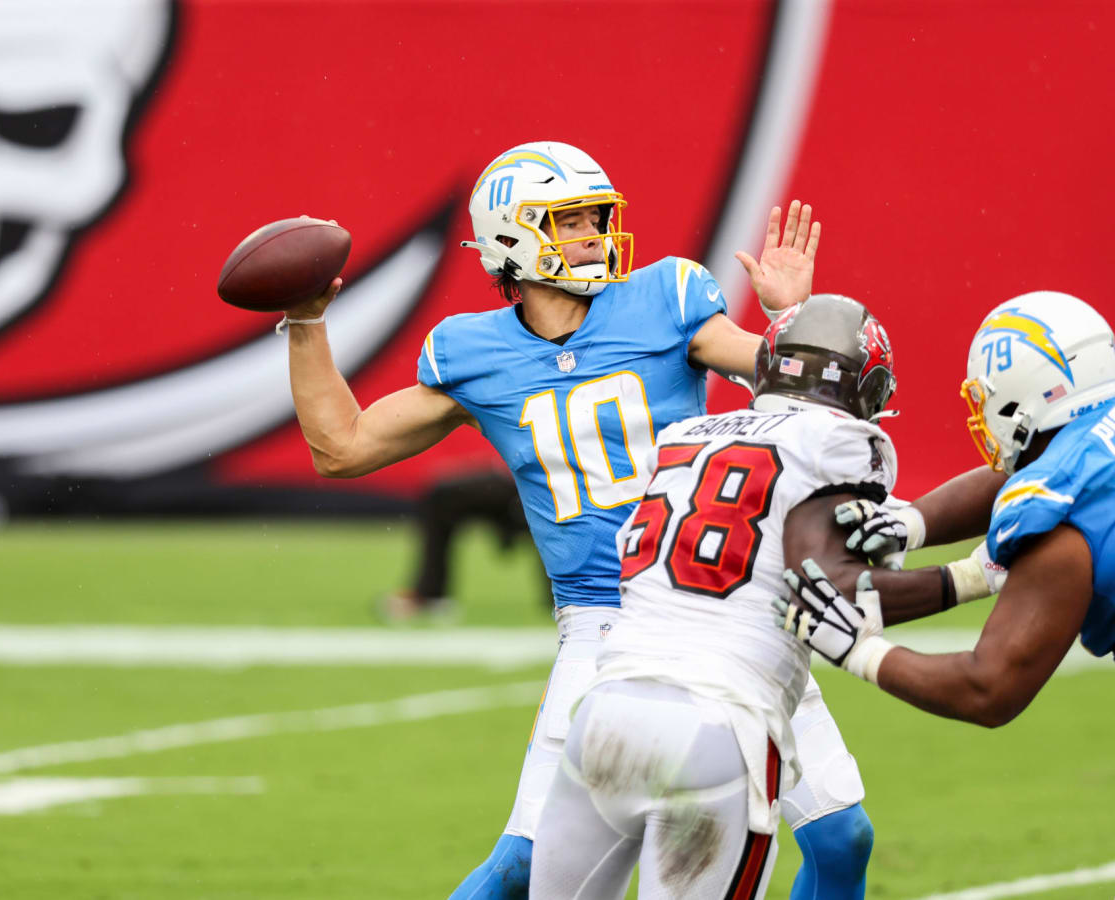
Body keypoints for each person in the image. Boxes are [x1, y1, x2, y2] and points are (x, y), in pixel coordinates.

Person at [280, 139, 872, 899]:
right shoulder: (472, 353)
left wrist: (790, 316)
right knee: (521, 868)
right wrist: (305, 323)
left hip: (724, 608)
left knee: (842, 835)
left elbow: (799, 395)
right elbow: (342, 448)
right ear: (512, 236)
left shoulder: (667, 298)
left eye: (596, 217)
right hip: (599, 625)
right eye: (570, 221)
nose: (594, 234)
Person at [776, 291, 1115, 899]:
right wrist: (912, 522)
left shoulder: (1059, 524)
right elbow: (1050, 465)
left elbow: (989, 689)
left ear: (1020, 400)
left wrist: (861, 652)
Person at [527, 293, 899, 899]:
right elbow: (853, 579)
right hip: (723, 720)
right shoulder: (851, 445)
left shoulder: (680, 437)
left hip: (607, 707)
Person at [382, 465, 552, 622]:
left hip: (549, 482)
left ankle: (569, 597)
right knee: (440, 499)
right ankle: (430, 592)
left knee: (558, 519)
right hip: (522, 477)